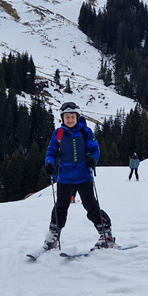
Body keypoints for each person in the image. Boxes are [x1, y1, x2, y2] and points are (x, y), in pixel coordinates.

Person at [43, 102, 114, 250]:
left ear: (77, 117)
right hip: (64, 177)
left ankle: (106, 234)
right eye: (67, 117)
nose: (70, 120)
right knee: (60, 207)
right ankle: (53, 235)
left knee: (91, 206)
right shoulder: (58, 134)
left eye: (72, 117)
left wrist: (93, 159)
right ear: (62, 118)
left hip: (84, 176)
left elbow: (95, 149)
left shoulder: (85, 132)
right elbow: (52, 151)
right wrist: (49, 163)